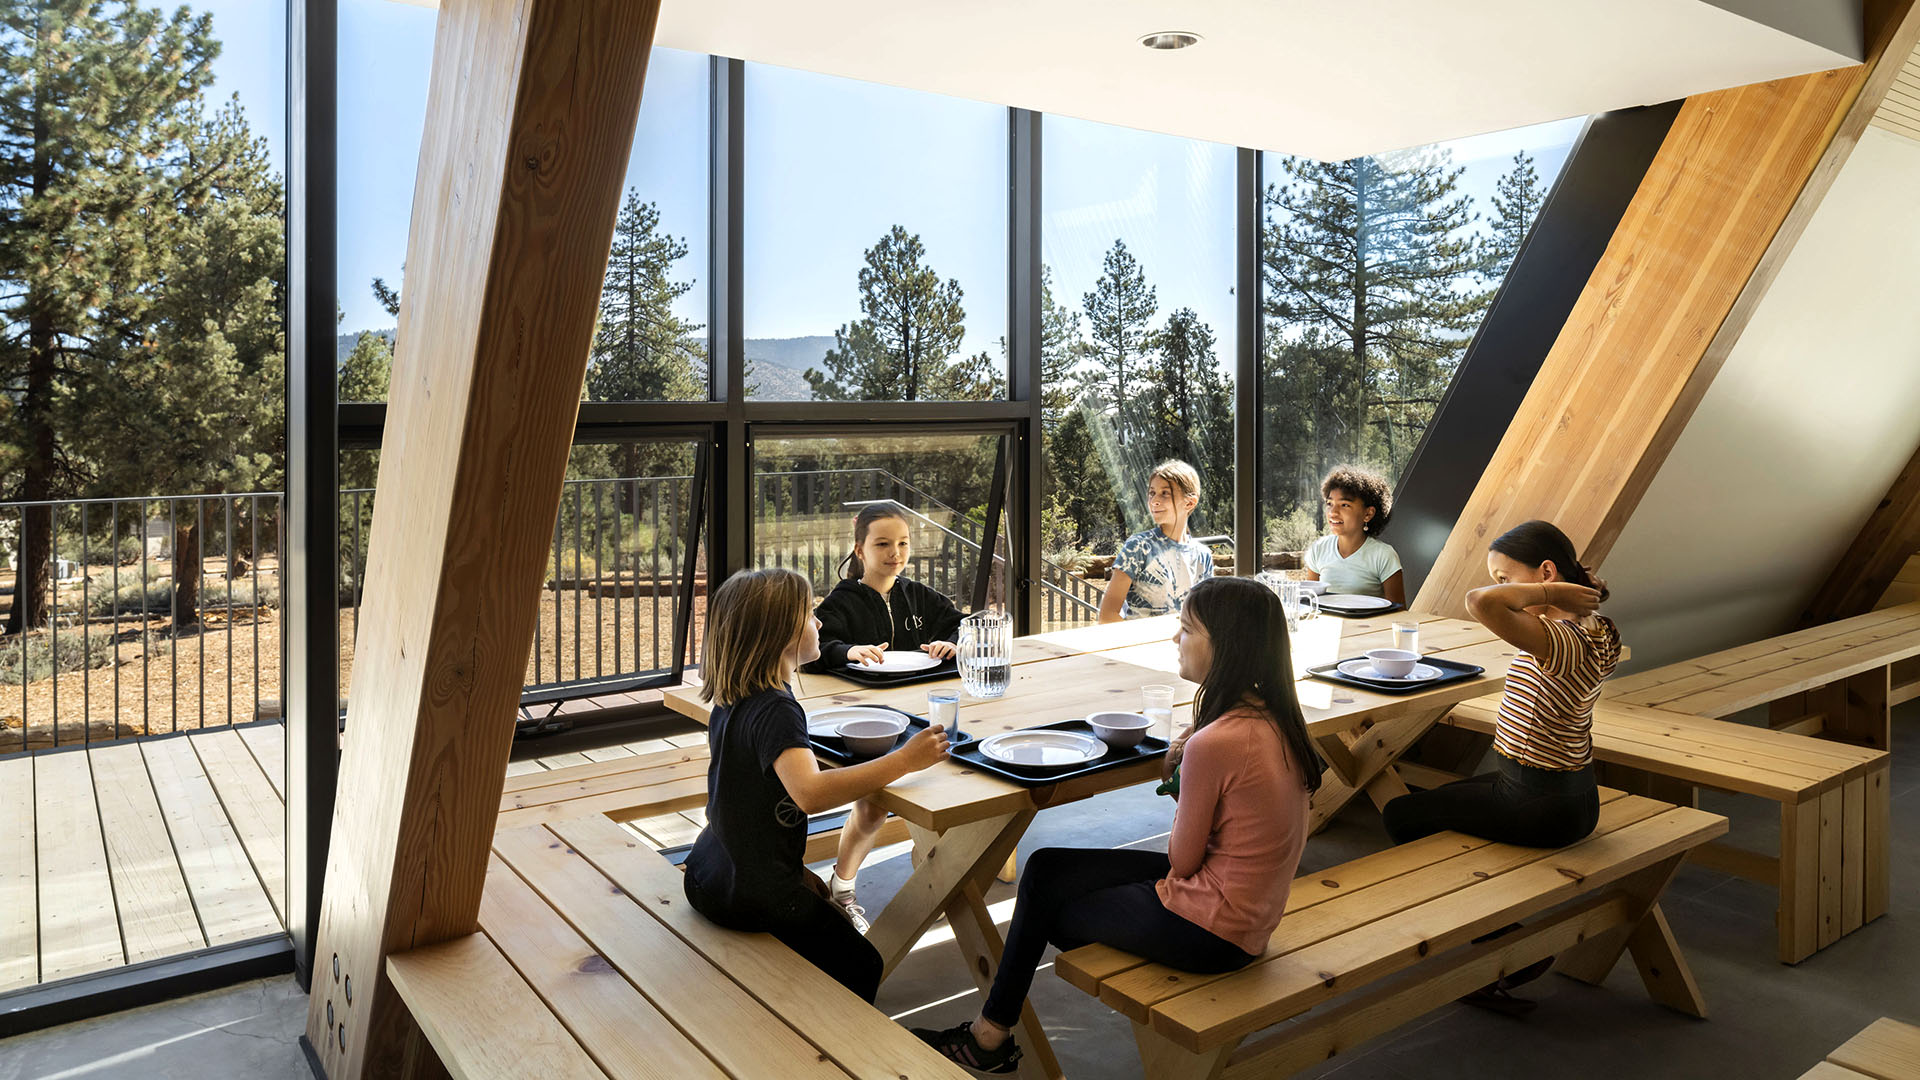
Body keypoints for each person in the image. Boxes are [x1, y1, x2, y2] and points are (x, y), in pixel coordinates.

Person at [913, 576, 1324, 1072]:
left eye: (1187, 629)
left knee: (1046, 910)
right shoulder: (1278, 722)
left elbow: (1182, 860)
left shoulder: (1216, 743)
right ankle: (991, 1034)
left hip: (1212, 932)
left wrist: (1185, 775)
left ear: (1227, 647)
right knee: (1043, 869)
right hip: (1251, 913)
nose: (1176, 639)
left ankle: (989, 1038)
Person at [1378, 520, 1619, 1014]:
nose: (1500, 588)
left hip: (1538, 802)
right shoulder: (1597, 629)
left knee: (1401, 816)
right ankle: (1491, 920)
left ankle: (1506, 946)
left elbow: (1480, 602)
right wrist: (1550, 594)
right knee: (1445, 806)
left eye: (1505, 577)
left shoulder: (1563, 640)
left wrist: (1543, 593)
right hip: (1574, 794)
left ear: (1546, 573)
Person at [683, 567, 951, 1003]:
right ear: (781, 634)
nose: (820, 623)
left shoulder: (734, 697)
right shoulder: (776, 709)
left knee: (823, 918)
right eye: (809, 614)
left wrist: (797, 870)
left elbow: (740, 804)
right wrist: (904, 760)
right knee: (864, 963)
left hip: (707, 872)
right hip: (752, 895)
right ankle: (842, 1054)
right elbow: (810, 793)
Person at [803, 503, 965, 929]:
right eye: (883, 544)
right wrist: (848, 651)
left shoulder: (918, 595)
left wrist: (948, 643)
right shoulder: (842, 601)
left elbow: (960, 625)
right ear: (860, 550)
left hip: (919, 715)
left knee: (958, 778)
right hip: (865, 722)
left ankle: (943, 879)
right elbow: (815, 650)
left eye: (902, 543)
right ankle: (843, 888)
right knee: (873, 807)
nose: (895, 552)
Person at [1098, 460, 1215, 623]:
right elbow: (1107, 616)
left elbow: (1206, 616)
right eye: (1152, 493)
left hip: (1183, 646)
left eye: (1165, 493)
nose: (1154, 501)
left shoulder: (1203, 555)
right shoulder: (1138, 546)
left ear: (1190, 502)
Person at [1303, 465, 1405, 605]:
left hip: (1371, 627)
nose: (1333, 512)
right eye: (1330, 503)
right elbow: (1309, 602)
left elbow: (1398, 612)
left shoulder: (1384, 555)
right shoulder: (1319, 549)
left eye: (1344, 505)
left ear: (1368, 514)